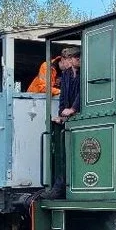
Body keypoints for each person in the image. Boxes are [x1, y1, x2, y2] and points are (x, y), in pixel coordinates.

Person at [45, 47, 80, 198]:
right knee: (63, 154)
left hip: (80, 116)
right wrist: (61, 114)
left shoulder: (84, 73)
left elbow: (83, 92)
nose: (64, 63)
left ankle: (62, 188)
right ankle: (59, 187)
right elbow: (63, 96)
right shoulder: (66, 74)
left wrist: (73, 109)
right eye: (75, 58)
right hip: (69, 118)